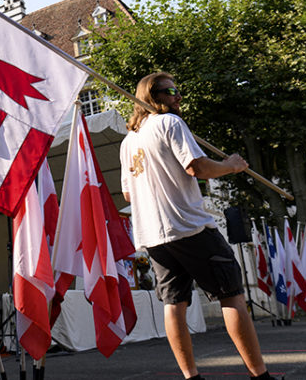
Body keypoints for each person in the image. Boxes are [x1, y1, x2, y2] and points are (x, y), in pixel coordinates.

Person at [119, 72, 278, 380]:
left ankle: (191, 377)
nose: (178, 96)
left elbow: (128, 192)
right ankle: (260, 376)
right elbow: (198, 167)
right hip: (189, 227)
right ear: (153, 97)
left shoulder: (129, 141)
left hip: (153, 236)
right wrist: (231, 166)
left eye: (178, 89)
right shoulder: (170, 123)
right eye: (170, 91)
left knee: (174, 303)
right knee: (231, 295)